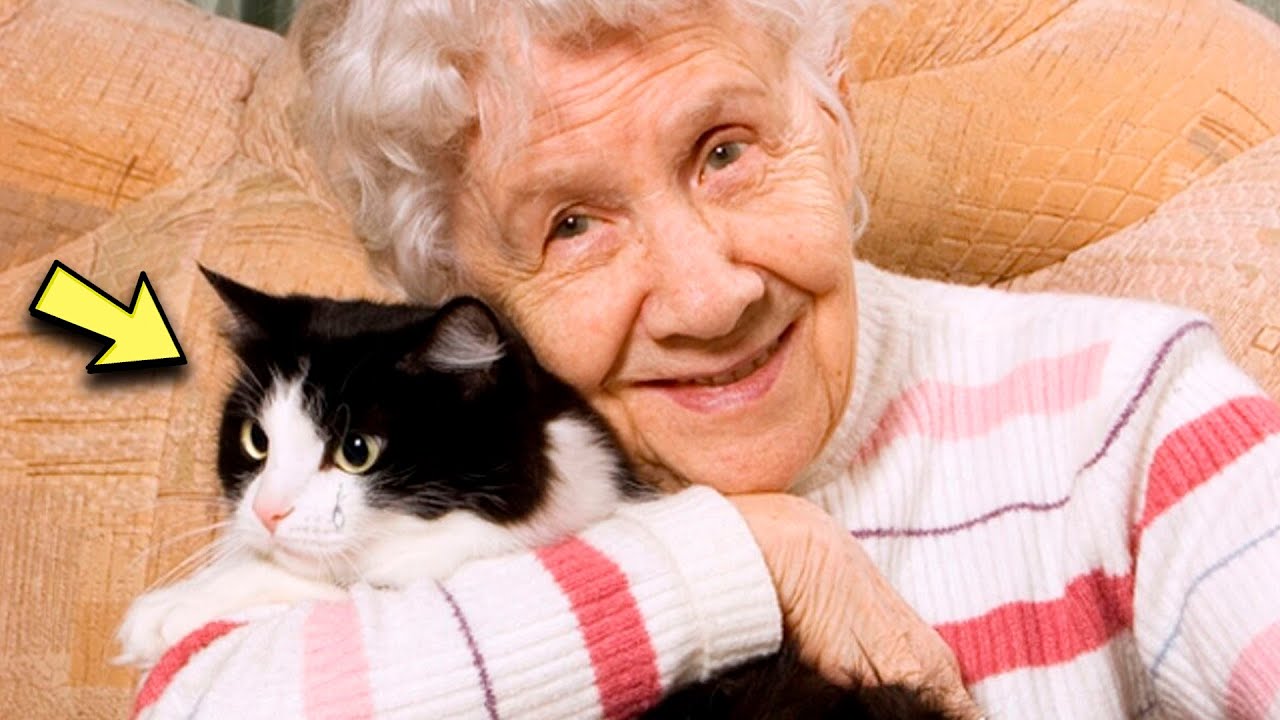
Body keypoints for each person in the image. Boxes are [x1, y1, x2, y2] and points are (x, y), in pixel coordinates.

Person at [131, 0, 1280, 718]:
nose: (707, 295)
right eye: (570, 225)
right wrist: (741, 557)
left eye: (724, 151)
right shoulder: (428, 488)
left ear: (832, 121)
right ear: (460, 298)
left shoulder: (1129, 413)